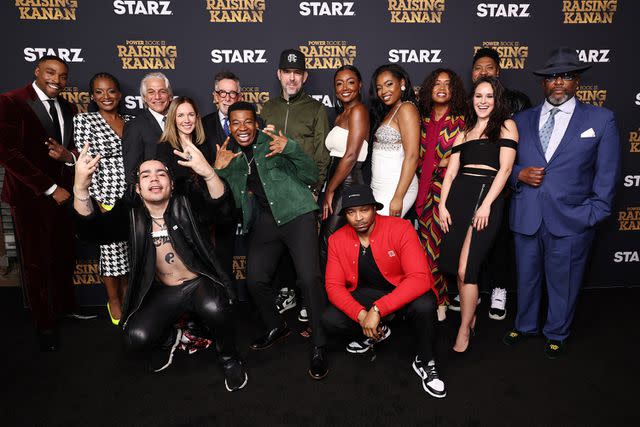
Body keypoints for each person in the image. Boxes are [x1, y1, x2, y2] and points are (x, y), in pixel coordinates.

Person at [72, 141, 248, 391]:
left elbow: (224, 213)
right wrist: (80, 188)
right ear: (138, 188)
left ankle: (229, 358)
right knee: (135, 338)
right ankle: (174, 336)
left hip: (199, 283)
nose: (154, 179)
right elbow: (91, 232)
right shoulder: (130, 214)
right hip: (164, 291)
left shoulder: (187, 202)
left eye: (161, 173)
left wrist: (208, 172)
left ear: (172, 183)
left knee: (215, 307)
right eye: (146, 175)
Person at [503, 47, 621, 358]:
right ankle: (525, 324)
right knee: (526, 277)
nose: (558, 83)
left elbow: (607, 174)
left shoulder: (601, 119)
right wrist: (519, 175)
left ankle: (556, 331)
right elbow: (504, 164)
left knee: (563, 281)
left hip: (572, 219)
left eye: (566, 76)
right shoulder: (520, 120)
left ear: (577, 81)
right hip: (527, 214)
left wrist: (592, 215)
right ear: (542, 83)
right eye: (552, 77)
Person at [214, 102, 329, 380]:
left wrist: (291, 149)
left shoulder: (276, 142)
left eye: (248, 122)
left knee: (309, 279)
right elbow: (222, 196)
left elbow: (312, 175)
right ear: (229, 125)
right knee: (254, 279)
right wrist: (217, 170)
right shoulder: (231, 156)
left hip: (297, 214)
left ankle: (319, 345)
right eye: (235, 123)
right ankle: (276, 325)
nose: (242, 128)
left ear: (256, 123)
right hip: (266, 220)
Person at [0, 55, 90, 351]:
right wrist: (50, 188)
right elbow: (8, 154)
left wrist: (70, 158)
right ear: (37, 72)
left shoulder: (67, 106)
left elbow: (69, 151)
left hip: (63, 195)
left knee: (63, 255)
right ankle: (44, 324)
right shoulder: (11, 101)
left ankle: (65, 308)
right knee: (36, 262)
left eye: (63, 76)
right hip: (31, 197)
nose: (57, 80)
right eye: (50, 73)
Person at [322, 184, 445, 398]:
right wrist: (362, 316)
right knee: (329, 318)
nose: (358, 217)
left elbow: (419, 278)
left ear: (374, 208)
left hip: (401, 293)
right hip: (368, 295)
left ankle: (425, 360)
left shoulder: (400, 228)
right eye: (351, 212)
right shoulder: (337, 239)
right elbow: (333, 286)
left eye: (364, 210)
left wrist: (378, 310)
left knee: (425, 304)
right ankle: (377, 332)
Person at [449, 47, 534, 320]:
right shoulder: (467, 116)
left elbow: (511, 159)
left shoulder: (514, 108)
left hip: (499, 189)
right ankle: (468, 303)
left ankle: (498, 291)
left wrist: (493, 197)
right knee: (465, 255)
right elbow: (457, 160)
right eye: (477, 68)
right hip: (466, 190)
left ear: (498, 73)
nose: (482, 72)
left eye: (488, 68)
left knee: (496, 245)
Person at [438, 77, 518, 354]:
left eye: (489, 96)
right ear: (472, 99)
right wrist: (442, 205)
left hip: (487, 198)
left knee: (466, 269)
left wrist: (486, 205)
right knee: (456, 269)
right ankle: (469, 318)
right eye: (478, 96)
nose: (483, 101)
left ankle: (464, 329)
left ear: (497, 100)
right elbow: (450, 173)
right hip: (460, 197)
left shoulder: (506, 126)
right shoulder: (465, 130)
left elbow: (505, 171)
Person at [260, 48, 330, 321]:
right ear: (279, 74)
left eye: (297, 73)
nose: (291, 78)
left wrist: (315, 191)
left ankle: (310, 307)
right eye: (287, 72)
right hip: (275, 196)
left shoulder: (316, 109)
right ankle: (288, 295)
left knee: (307, 264)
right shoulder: (268, 107)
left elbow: (323, 157)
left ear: (305, 77)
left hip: (303, 195)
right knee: (277, 257)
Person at [73, 72, 133, 325]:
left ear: (119, 95)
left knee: (131, 252)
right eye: (99, 91)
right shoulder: (85, 120)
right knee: (111, 253)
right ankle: (114, 301)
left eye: (111, 91)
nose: (106, 96)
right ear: (93, 96)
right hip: (105, 195)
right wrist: (95, 199)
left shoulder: (130, 120)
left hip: (131, 195)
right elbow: (84, 162)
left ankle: (130, 297)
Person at [415, 68, 466, 321]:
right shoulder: (420, 119)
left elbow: (468, 156)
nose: (442, 87)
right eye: (436, 83)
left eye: (448, 83)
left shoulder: (462, 120)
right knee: (428, 249)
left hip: (450, 193)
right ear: (428, 88)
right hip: (423, 192)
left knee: (443, 250)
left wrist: (445, 163)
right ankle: (439, 299)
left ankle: (448, 300)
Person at [319, 65, 370, 266]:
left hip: (348, 183)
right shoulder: (342, 114)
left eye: (350, 82)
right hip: (337, 180)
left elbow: (350, 155)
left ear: (360, 85)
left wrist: (330, 190)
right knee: (333, 242)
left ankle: (328, 295)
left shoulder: (358, 110)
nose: (345, 87)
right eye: (339, 83)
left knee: (327, 242)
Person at [369, 64, 420, 218]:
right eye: (379, 88)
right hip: (379, 186)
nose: (384, 91)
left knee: (385, 235)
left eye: (389, 84)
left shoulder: (406, 108)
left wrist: (398, 197)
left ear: (402, 83)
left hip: (397, 188)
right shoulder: (390, 110)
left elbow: (412, 156)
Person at [122, 72, 172, 184]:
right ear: (144, 97)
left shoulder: (180, 121)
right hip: (153, 192)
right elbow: (131, 171)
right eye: (151, 92)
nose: (157, 97)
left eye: (162, 91)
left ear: (169, 95)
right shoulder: (135, 126)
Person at [158, 96, 215, 183]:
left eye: (191, 115)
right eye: (181, 115)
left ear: (197, 117)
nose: (187, 120)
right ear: (173, 119)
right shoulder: (164, 147)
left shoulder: (204, 144)